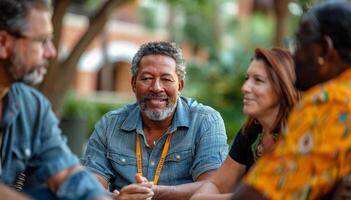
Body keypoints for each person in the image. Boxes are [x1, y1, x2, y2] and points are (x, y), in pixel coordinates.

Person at [231, 1, 351, 199]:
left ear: (324, 49)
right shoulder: (250, 133)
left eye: (299, 43)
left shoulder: (333, 101)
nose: (294, 55)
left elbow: (264, 193)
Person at [81, 41, 228, 200]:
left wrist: (153, 192)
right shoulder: (110, 125)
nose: (156, 88)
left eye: (166, 79)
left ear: (180, 86)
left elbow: (212, 187)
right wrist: (118, 198)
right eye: (147, 78)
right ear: (133, 84)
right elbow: (90, 186)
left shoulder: (205, 121)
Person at [0, 0, 110, 199]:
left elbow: (67, 173)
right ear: (3, 43)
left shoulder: (32, 106)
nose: (51, 52)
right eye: (42, 41)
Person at [191, 48, 299, 200]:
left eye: (258, 80)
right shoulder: (251, 133)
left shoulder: (299, 137)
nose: (245, 88)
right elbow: (216, 185)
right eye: (247, 78)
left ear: (283, 87)